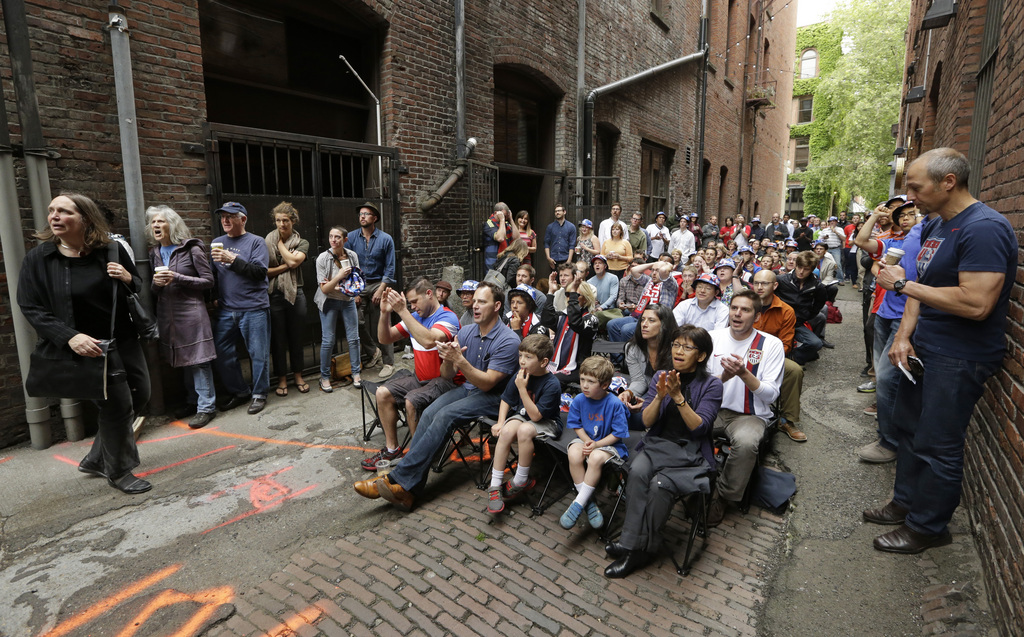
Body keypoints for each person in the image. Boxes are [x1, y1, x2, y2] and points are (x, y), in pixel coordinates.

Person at [863, 149, 1016, 554]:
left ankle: (927, 527)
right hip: (925, 349)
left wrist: (901, 287)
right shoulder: (936, 226)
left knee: (938, 442)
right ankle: (905, 503)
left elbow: (977, 302)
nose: (909, 197)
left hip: (959, 356)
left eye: (915, 186)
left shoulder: (983, 229)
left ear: (948, 182)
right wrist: (903, 336)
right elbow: (921, 284)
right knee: (909, 429)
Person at [19, 193, 153, 493]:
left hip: (124, 338)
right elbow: (30, 307)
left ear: (85, 219)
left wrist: (128, 279)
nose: (54, 216)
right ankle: (119, 471)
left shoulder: (113, 250)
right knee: (117, 406)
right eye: (52, 210)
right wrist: (70, 337)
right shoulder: (40, 259)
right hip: (88, 348)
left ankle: (94, 458)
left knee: (141, 395)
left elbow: (138, 285)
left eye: (64, 211)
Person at [353, 281, 520, 510]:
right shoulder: (467, 331)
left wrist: (460, 361)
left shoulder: (509, 340)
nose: (476, 306)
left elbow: (488, 383)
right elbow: (447, 375)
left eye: (483, 302)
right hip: (468, 389)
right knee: (431, 411)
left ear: (498, 306)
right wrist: (450, 361)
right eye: (476, 301)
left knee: (444, 415)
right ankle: (408, 491)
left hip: (496, 399)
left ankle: (394, 480)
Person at [604, 325, 723, 577]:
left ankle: (637, 550)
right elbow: (647, 422)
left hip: (689, 453)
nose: (678, 351)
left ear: (701, 356)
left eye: (687, 347)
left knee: (659, 485)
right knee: (636, 472)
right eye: (676, 345)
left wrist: (678, 397)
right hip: (658, 445)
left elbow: (699, 428)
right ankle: (634, 543)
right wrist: (658, 397)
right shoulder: (661, 375)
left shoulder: (712, 385)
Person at [360, 277, 462, 471]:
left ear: (429, 294)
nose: (413, 306)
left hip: (445, 380)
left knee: (411, 400)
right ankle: (392, 448)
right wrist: (384, 313)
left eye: (415, 301)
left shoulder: (447, 317)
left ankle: (417, 456)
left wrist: (403, 311)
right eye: (410, 303)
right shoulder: (414, 317)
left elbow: (428, 341)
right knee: (382, 393)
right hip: (420, 379)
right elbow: (384, 338)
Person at [707, 290, 785, 525]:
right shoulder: (712, 338)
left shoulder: (770, 345)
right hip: (714, 409)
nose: (737, 314)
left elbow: (771, 394)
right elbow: (699, 386)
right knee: (681, 428)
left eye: (746, 310)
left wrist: (743, 373)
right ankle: (692, 483)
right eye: (734, 308)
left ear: (757, 317)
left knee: (747, 444)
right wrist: (724, 376)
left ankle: (722, 496)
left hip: (750, 415)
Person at [857, 202, 921, 463]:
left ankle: (890, 442)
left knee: (887, 378)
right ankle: (887, 434)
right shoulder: (899, 242)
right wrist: (874, 215)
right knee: (883, 375)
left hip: (902, 319)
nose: (905, 219)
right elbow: (863, 241)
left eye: (910, 214)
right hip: (884, 312)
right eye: (901, 216)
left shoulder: (926, 239)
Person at [147, 205, 217, 428]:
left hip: (192, 312)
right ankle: (192, 401)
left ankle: (206, 407)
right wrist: (155, 284)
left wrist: (177, 277)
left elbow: (208, 281)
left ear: (172, 224)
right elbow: (154, 289)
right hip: (169, 315)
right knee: (185, 360)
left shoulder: (191, 248)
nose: (156, 225)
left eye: (161, 221)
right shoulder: (154, 253)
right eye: (153, 222)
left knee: (199, 360)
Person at [485, 334, 562, 515]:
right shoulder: (520, 375)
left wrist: (522, 389)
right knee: (507, 431)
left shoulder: (552, 384)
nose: (522, 361)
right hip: (524, 416)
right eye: (520, 355)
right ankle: (495, 485)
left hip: (547, 422)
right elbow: (506, 399)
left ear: (543, 362)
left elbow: (536, 417)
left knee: (525, 429)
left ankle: (520, 480)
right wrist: (500, 422)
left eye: (528, 357)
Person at [210, 201, 271, 415]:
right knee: (221, 351)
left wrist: (232, 259)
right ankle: (240, 391)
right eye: (223, 216)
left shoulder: (256, 242)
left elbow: (259, 273)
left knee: (258, 353)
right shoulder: (217, 242)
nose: (225, 220)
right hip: (226, 309)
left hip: (253, 307)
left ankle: (259, 394)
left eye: (230, 216)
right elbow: (213, 275)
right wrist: (214, 297)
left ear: (242, 219)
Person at [561, 356, 630, 529]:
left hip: (610, 444)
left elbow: (618, 434)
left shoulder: (614, 404)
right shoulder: (579, 400)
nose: (584, 385)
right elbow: (576, 426)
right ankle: (588, 502)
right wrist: (587, 441)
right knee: (574, 453)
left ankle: (578, 503)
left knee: (595, 458)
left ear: (605, 385)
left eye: (590, 381)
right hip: (587, 439)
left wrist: (596, 445)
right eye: (582, 379)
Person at [750, 270, 807, 442]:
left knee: (794, 370)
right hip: (743, 354)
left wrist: (765, 359)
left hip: (771, 358)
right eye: (756, 282)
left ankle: (787, 420)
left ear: (775, 286)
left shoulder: (785, 310)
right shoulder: (745, 304)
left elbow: (786, 344)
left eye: (764, 283)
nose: (759, 287)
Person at [266, 202, 310, 396]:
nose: (281, 224)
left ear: (293, 221)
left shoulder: (302, 242)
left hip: (296, 294)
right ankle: (282, 379)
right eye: (278, 220)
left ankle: (298, 375)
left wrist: (280, 245)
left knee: (296, 336)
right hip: (274, 295)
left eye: (285, 220)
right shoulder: (266, 241)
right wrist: (287, 265)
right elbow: (265, 272)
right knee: (278, 339)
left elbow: (294, 261)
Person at [349, 201, 398, 379]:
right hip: (358, 283)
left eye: (366, 214)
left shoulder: (386, 239)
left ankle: (388, 362)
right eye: (360, 213)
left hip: (379, 283)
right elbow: (348, 265)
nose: (362, 216)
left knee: (383, 322)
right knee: (356, 321)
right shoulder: (352, 237)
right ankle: (373, 351)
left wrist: (381, 289)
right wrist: (354, 291)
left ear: (374, 218)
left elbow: (390, 267)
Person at [314, 225, 362, 393]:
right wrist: (340, 277)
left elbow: (356, 281)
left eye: (337, 237)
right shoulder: (322, 258)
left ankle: (356, 373)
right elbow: (325, 290)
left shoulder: (352, 256)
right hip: (329, 302)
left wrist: (342, 287)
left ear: (345, 240)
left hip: (347, 301)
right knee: (328, 340)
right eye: (331, 236)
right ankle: (324, 377)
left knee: (354, 338)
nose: (333, 240)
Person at [541, 276, 600, 386]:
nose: (570, 298)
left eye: (576, 295)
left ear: (586, 298)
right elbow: (546, 320)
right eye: (568, 294)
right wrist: (550, 292)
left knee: (550, 381)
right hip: (554, 364)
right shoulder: (562, 316)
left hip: (577, 368)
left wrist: (573, 294)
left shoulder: (591, 319)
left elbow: (575, 323)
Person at [775, 251, 828, 364]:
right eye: (799, 267)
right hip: (779, 321)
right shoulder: (782, 280)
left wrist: (807, 315)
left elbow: (820, 302)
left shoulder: (816, 286)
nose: (801, 271)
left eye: (806, 269)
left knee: (816, 343)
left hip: (797, 323)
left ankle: (793, 357)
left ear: (812, 269)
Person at [607, 261, 678, 343]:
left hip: (657, 321)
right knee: (612, 325)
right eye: (652, 270)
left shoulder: (670, 285)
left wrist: (666, 264)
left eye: (657, 271)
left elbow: (664, 271)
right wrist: (654, 263)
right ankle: (618, 355)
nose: (654, 273)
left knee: (626, 330)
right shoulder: (649, 281)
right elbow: (634, 270)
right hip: (639, 316)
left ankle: (630, 353)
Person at [544, 204, 577, 271]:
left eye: (559, 211)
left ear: (564, 212)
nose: (557, 213)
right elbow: (546, 243)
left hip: (566, 258)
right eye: (556, 211)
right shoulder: (550, 227)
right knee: (554, 279)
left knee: (566, 279)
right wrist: (548, 258)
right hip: (553, 259)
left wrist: (569, 260)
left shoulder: (571, 227)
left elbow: (572, 244)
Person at [483, 202, 513, 271]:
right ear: (496, 213)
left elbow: (516, 237)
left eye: (506, 216)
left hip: (505, 259)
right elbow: (500, 238)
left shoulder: (506, 223)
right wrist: (502, 220)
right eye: (503, 215)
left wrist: (511, 219)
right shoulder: (489, 223)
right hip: (493, 261)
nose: (505, 218)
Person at [819, 216, 847, 284]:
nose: (832, 222)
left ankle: (840, 279)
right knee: (824, 263)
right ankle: (823, 279)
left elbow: (844, 239)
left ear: (836, 222)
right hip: (826, 249)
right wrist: (824, 237)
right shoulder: (825, 230)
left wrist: (836, 232)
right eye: (830, 221)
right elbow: (819, 239)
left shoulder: (840, 229)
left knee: (837, 264)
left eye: (834, 221)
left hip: (836, 249)